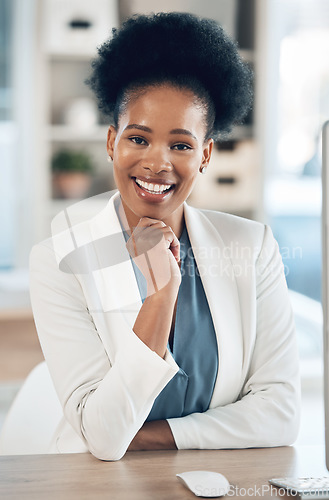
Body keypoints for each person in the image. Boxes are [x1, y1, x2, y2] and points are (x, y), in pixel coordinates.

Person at [29, 12, 300, 461]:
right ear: (112, 141)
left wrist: (149, 435)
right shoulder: (59, 258)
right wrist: (160, 297)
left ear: (206, 154)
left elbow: (282, 413)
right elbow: (101, 436)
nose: (157, 163)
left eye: (180, 144)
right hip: (95, 488)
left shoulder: (252, 248)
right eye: (138, 139)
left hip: (214, 482)